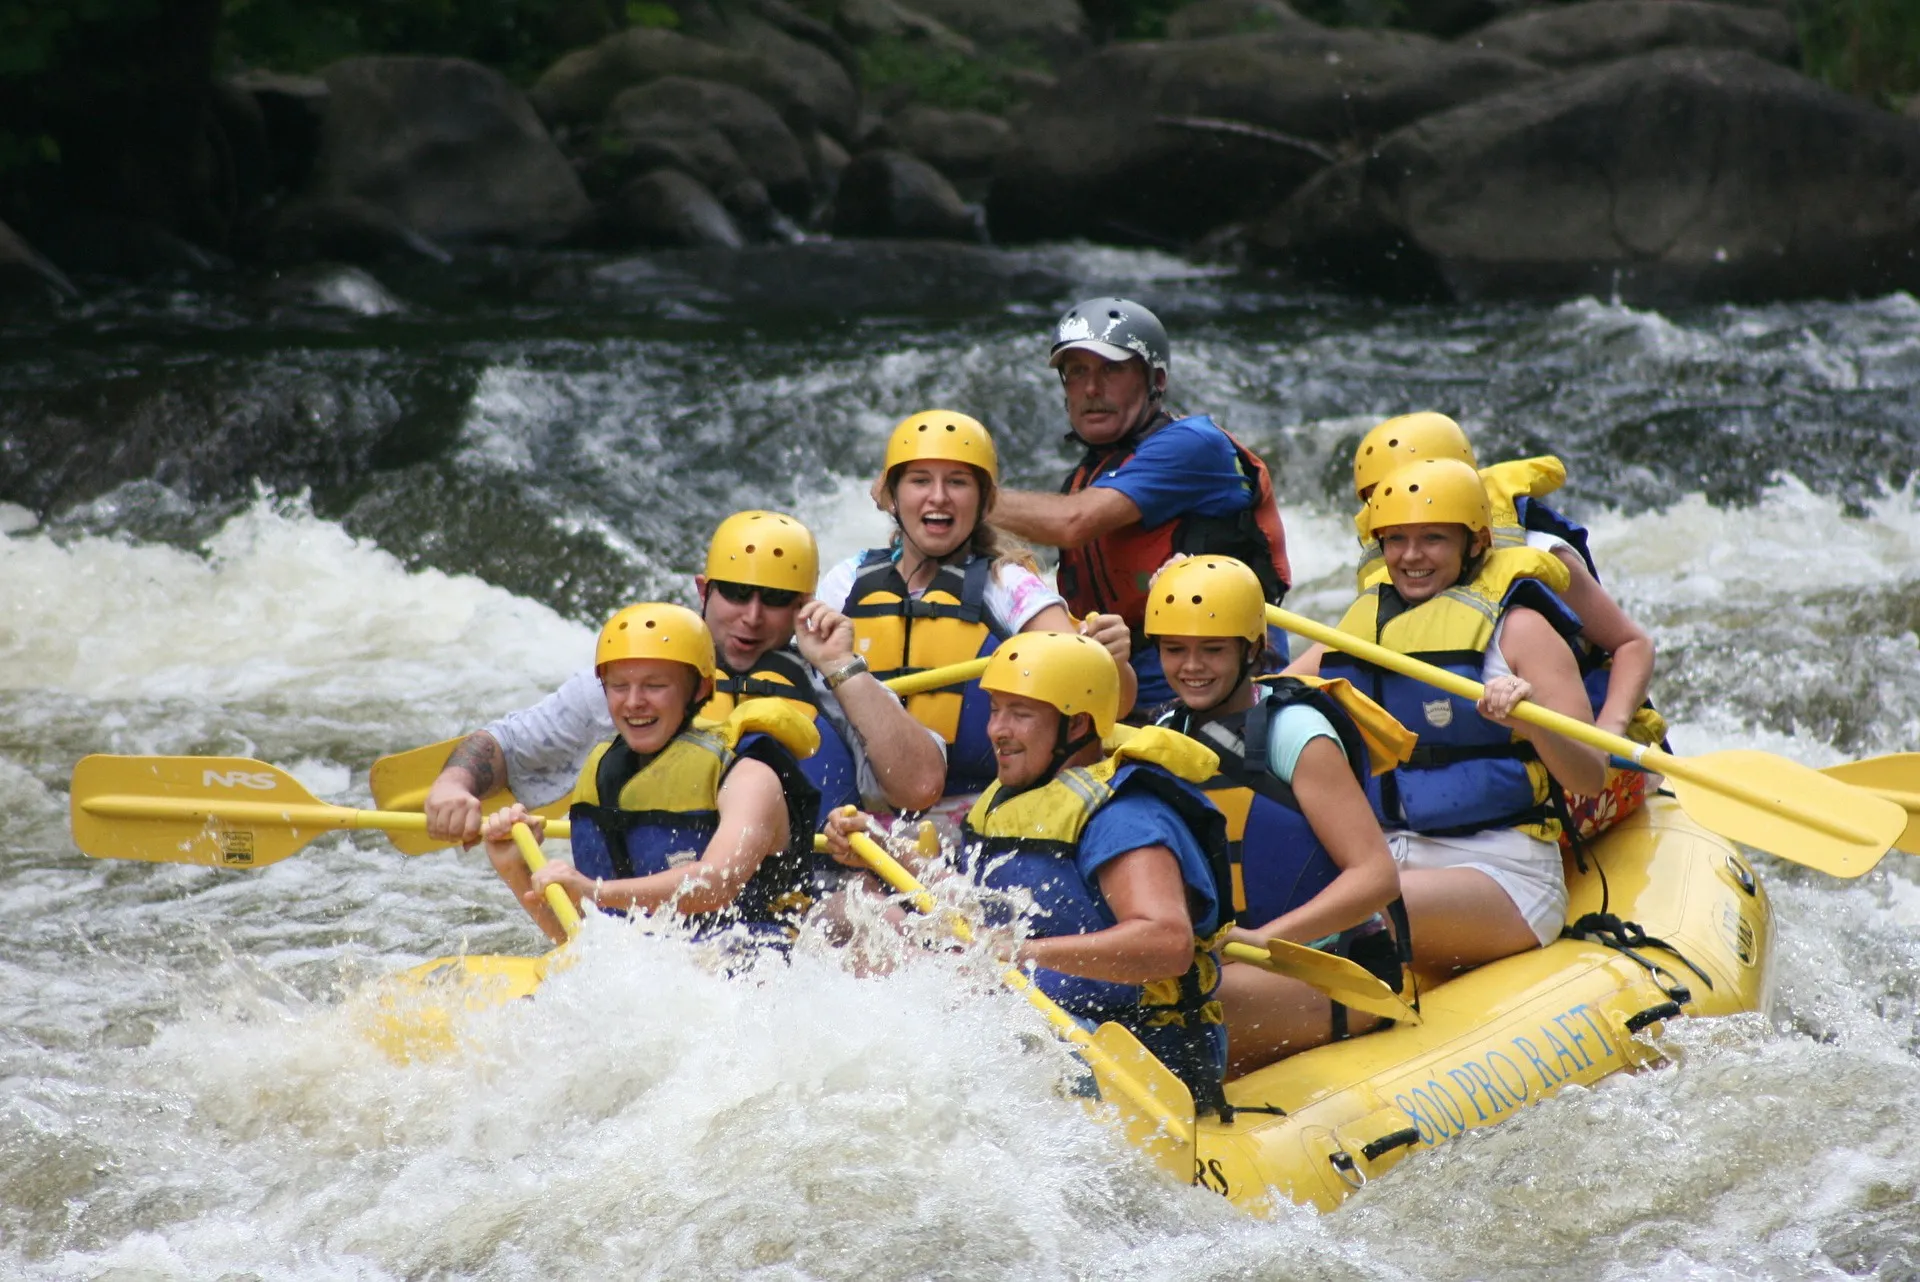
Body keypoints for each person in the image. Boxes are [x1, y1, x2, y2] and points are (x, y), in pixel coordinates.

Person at [824, 631, 1236, 1113]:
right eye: (995, 709)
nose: (997, 729)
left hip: (1136, 1055)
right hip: (1049, 1023)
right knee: (858, 928)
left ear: (1077, 724)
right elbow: (974, 904)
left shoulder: (1125, 818)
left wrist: (1025, 953)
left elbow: (1166, 943)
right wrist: (886, 851)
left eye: (1020, 715)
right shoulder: (1013, 799)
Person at [424, 510, 946, 845]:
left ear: (804, 607)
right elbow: (505, 743)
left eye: (776, 600)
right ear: (704, 590)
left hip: (802, 908)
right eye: (736, 593)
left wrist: (841, 668)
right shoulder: (640, 680)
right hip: (661, 910)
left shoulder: (831, 681)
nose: (752, 616)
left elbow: (920, 786)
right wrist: (454, 782)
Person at [1288, 459, 1608, 976]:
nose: (1412, 556)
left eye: (1433, 538)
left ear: (1476, 543)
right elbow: (1259, 699)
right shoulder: (1359, 631)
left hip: (1502, 870)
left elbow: (1590, 777)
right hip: (1382, 857)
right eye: (1396, 540)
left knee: (1360, 910)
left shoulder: (1522, 632)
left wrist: (1532, 722)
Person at [1143, 555, 1413, 1075]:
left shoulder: (1297, 734)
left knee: (1179, 1016)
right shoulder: (1167, 733)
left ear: (1251, 649)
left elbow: (1376, 875)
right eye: (1175, 649)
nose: (1191, 667)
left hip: (1333, 969)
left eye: (1212, 650)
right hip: (1229, 964)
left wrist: (1266, 940)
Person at [1351, 413, 1663, 844]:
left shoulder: (1535, 554)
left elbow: (1633, 643)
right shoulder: (1400, 564)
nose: (1387, 509)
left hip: (1577, 742)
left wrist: (1607, 732)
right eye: (1375, 501)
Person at [986, 298, 1292, 708]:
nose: (1092, 389)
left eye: (1111, 369)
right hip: (1126, 682)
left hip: (1220, 680)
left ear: (1157, 379)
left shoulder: (1193, 446)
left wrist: (957, 494)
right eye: (1077, 372)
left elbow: (1073, 522)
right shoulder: (1084, 479)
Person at [826, 409, 1133, 818]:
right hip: (854, 826)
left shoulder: (1008, 587)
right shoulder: (844, 583)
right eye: (920, 480)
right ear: (891, 496)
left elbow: (1110, 700)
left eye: (957, 482)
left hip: (980, 821)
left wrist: (1113, 660)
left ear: (985, 501)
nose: (938, 496)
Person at [481, 602, 822, 947]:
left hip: (761, 967)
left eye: (654, 686)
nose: (633, 702)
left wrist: (592, 890)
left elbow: (717, 883)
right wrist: (516, 869)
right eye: (618, 686)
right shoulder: (604, 774)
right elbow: (584, 946)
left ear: (700, 689)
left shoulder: (749, 775)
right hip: (669, 978)